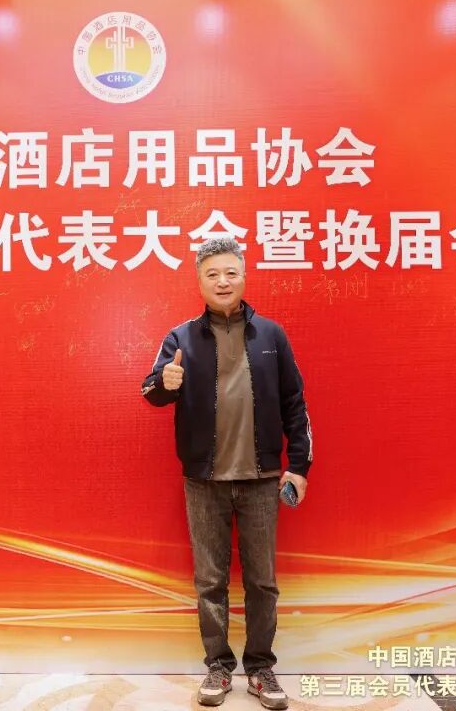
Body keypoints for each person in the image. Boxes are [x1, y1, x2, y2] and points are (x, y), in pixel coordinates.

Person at [141, 236, 313, 709]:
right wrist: (165, 383)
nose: (222, 281)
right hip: (203, 482)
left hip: (262, 480)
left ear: (244, 277)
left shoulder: (272, 336)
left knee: (262, 582)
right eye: (212, 274)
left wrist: (299, 466)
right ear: (199, 281)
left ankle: (260, 668)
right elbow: (151, 390)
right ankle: (218, 666)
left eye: (230, 272)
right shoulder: (180, 338)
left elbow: (295, 403)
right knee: (210, 581)